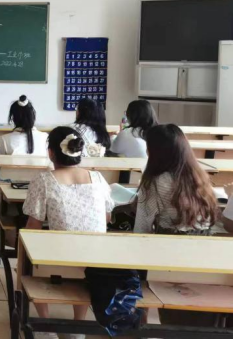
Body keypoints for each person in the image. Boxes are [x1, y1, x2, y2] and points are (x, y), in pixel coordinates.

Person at [23, 126, 114, 324]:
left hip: (61, 258)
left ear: (50, 153)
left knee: (27, 255)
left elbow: (33, 227)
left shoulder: (43, 180)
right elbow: (107, 218)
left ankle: (45, 323)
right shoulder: (98, 178)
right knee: (84, 251)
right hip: (98, 259)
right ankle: (78, 324)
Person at [134, 124, 219, 236]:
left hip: (171, 241)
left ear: (155, 152)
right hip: (205, 238)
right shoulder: (199, 174)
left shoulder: (155, 183)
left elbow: (141, 229)